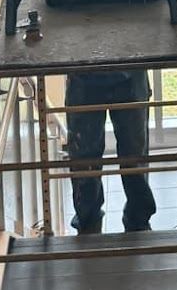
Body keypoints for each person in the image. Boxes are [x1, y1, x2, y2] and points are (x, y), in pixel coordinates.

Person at [65, 67, 157, 235]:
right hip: (85, 73)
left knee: (134, 155)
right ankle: (90, 223)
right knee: (85, 159)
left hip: (126, 69)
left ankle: (136, 221)